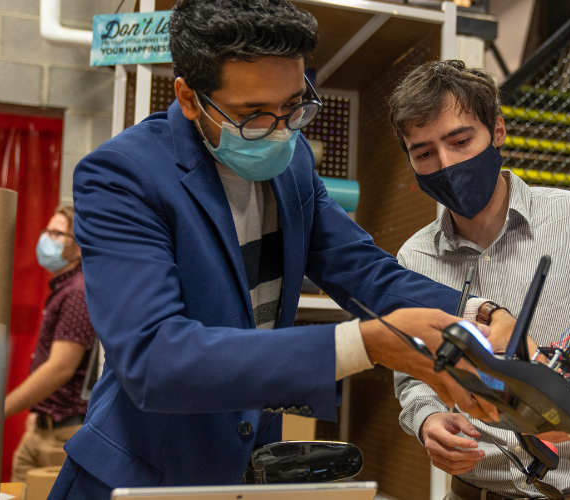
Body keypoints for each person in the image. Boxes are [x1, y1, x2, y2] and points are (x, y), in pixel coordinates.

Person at [50, 1, 514, 497]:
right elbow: (154, 358)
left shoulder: (290, 166)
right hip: (140, 477)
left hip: (246, 474)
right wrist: (366, 343)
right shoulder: (123, 177)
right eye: (253, 115)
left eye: (295, 106)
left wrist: (473, 312)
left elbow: (362, 270)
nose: (279, 131)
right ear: (188, 97)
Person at [389, 60, 570, 500]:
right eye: (424, 153)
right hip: (473, 490)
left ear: (499, 131)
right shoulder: (414, 257)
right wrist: (427, 420)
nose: (446, 163)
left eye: (460, 140)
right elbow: (413, 374)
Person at [4, 206, 95, 482]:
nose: (46, 239)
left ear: (78, 246)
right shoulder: (63, 288)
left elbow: (60, 368)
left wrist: (0, 410)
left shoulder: (78, 291)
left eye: (57, 233)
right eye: (47, 231)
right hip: (42, 430)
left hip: (62, 437)